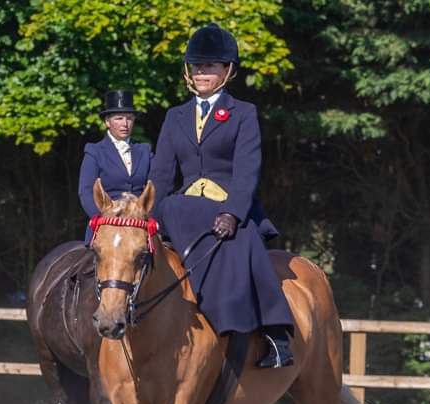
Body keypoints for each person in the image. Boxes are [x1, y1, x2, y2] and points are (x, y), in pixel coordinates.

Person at [149, 24, 294, 368]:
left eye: (210, 66)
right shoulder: (174, 117)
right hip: (182, 206)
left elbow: (247, 170)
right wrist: (148, 215)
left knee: (247, 241)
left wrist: (232, 212)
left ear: (227, 71)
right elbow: (162, 174)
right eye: (197, 67)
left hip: (225, 205)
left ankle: (276, 335)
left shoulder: (244, 114)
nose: (201, 73)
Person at [78, 90, 152, 241]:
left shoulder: (145, 150)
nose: (125, 124)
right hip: (107, 222)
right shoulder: (94, 151)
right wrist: (103, 219)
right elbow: (85, 191)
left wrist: (148, 215)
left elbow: (156, 185)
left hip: (139, 223)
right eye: (119, 118)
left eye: (129, 119)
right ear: (107, 122)